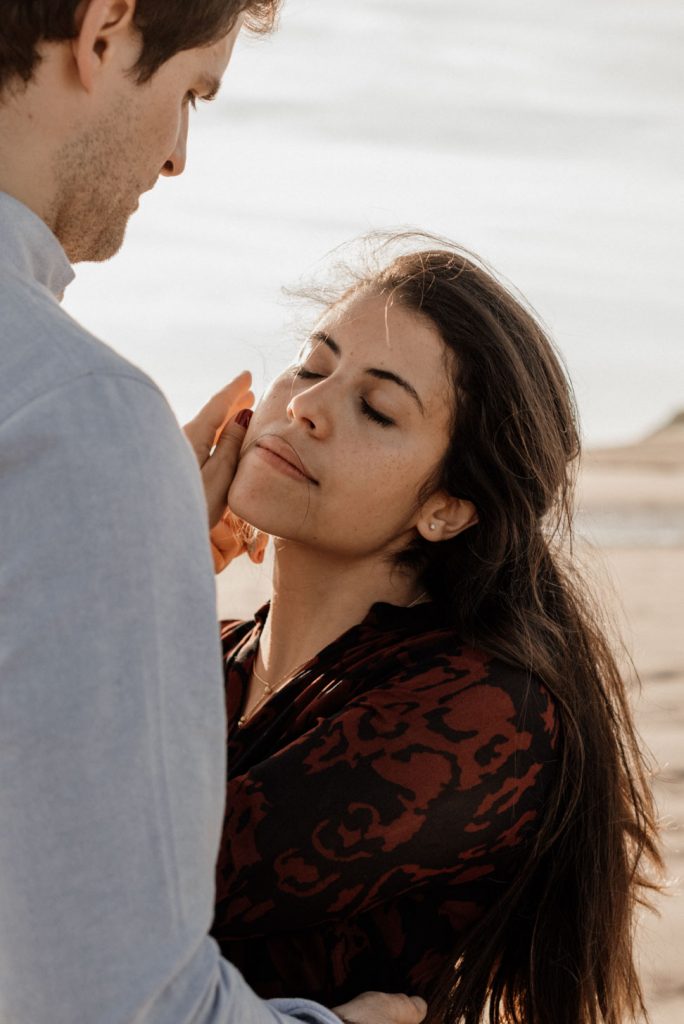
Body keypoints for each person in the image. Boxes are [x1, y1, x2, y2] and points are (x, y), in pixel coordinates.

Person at [0, 5, 427, 1024]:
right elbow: (114, 1001)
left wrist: (120, 567)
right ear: (106, 29)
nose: (181, 155)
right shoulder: (75, 416)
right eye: (191, 91)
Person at [209, 238, 663, 1023]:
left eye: (377, 409)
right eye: (313, 367)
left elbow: (121, 883)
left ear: (447, 508)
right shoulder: (200, 650)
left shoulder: (480, 714)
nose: (305, 408)